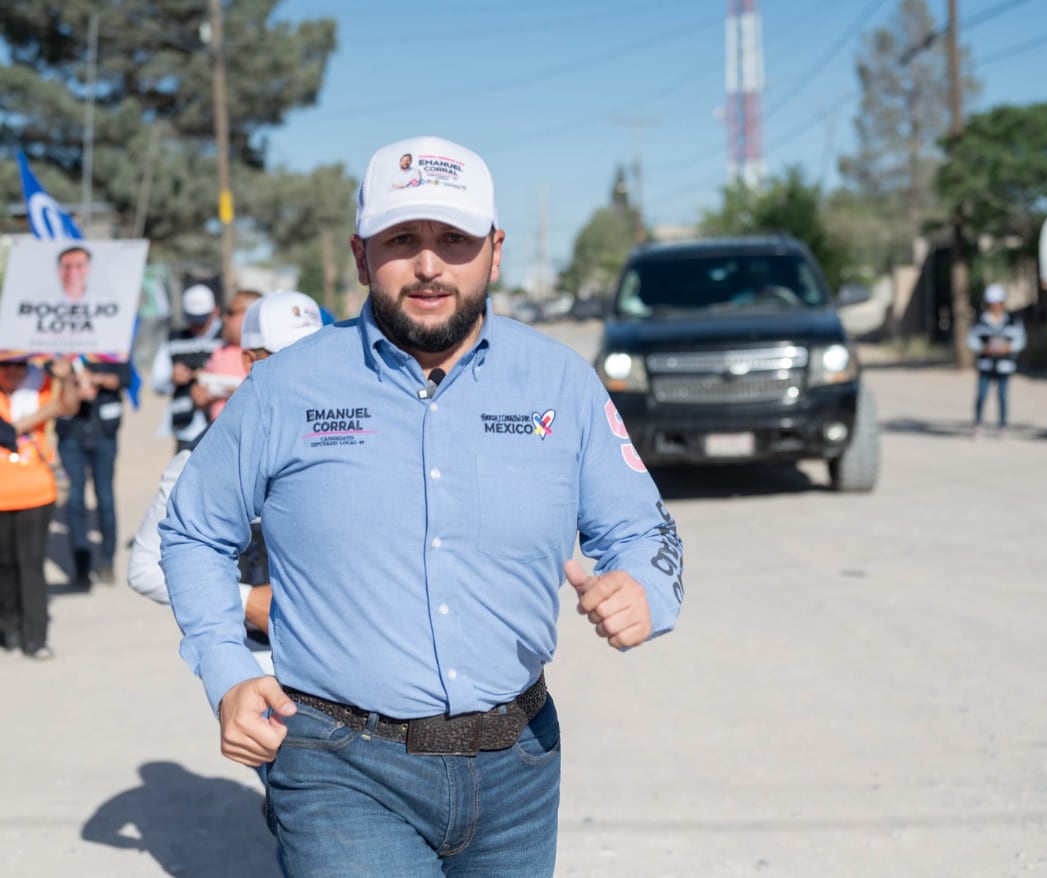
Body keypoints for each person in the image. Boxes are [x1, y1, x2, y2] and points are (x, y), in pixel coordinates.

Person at [160, 134, 685, 877]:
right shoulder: (285, 388)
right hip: (340, 765)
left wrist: (647, 587)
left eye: (455, 239)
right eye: (403, 239)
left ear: (495, 251)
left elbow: (643, 527)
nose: (430, 263)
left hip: (521, 764)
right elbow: (190, 532)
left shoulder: (561, 384)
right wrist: (226, 670)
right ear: (360, 254)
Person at [130, 290, 327, 677]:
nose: (312, 372)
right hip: (262, 670)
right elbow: (147, 567)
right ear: (250, 363)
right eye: (290, 358)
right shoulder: (199, 458)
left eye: (320, 356)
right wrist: (247, 600)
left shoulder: (354, 444)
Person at [0, 354, 79, 659]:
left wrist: (66, 377)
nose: (13, 371)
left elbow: (68, 406)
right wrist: (43, 412)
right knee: (4, 565)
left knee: (31, 564)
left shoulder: (39, 385)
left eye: (19, 365)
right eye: (5, 365)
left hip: (36, 491)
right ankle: (9, 627)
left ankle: (36, 637)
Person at [55, 355, 132, 588]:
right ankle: (81, 566)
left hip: (104, 434)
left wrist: (94, 379)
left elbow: (125, 378)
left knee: (105, 499)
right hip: (71, 436)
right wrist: (71, 383)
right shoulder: (58, 354)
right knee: (75, 500)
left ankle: (106, 561)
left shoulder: (111, 348)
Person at [150, 284, 223, 452]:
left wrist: (209, 378)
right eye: (193, 318)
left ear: (215, 311)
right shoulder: (174, 339)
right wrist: (172, 378)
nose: (197, 324)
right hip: (184, 426)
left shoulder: (226, 338)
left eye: (202, 318)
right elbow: (156, 384)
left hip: (218, 424)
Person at [193, 289, 262, 422]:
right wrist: (199, 398)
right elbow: (204, 397)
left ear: (253, 316)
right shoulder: (220, 350)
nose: (224, 318)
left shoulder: (266, 355)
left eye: (231, 313)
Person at [967, 283, 1026, 438]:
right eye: (991, 304)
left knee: (1002, 396)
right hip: (986, 364)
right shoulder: (981, 320)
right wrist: (982, 348)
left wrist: (1009, 348)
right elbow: (971, 340)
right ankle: (978, 424)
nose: (994, 307)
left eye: (997, 303)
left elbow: (1020, 341)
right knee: (981, 395)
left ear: (1002, 303)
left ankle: (1002, 425)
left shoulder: (1012, 320)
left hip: (1004, 365)